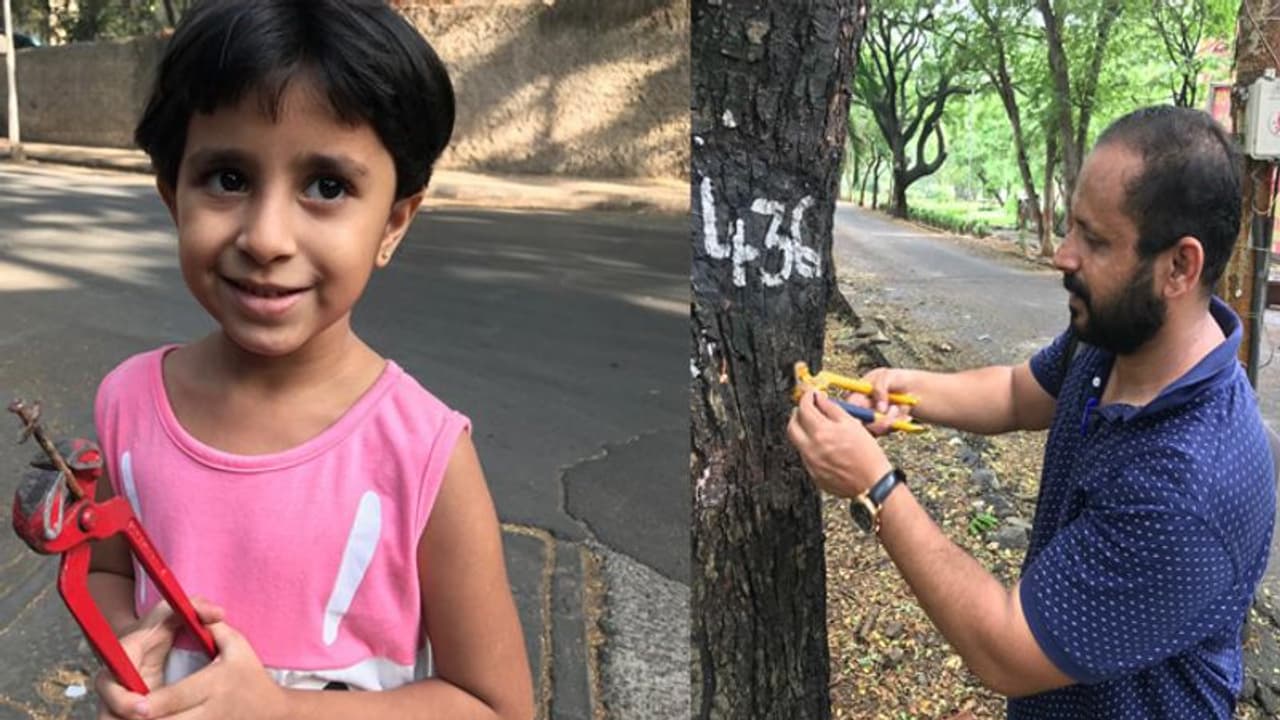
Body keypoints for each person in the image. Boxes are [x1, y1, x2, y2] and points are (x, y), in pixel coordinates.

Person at [85, 2, 533, 719]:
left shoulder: (425, 456)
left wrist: (280, 709)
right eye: (227, 178)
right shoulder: (126, 404)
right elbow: (108, 568)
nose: (266, 237)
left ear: (393, 223)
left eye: (327, 187)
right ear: (173, 196)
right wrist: (127, 646)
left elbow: (493, 703)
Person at [789, 105, 1276, 718]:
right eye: (1071, 226)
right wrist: (902, 386)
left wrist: (876, 488)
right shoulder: (1114, 331)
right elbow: (1021, 392)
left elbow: (1005, 651)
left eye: (1094, 240)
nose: (1062, 256)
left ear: (1179, 266)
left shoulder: (1188, 486)